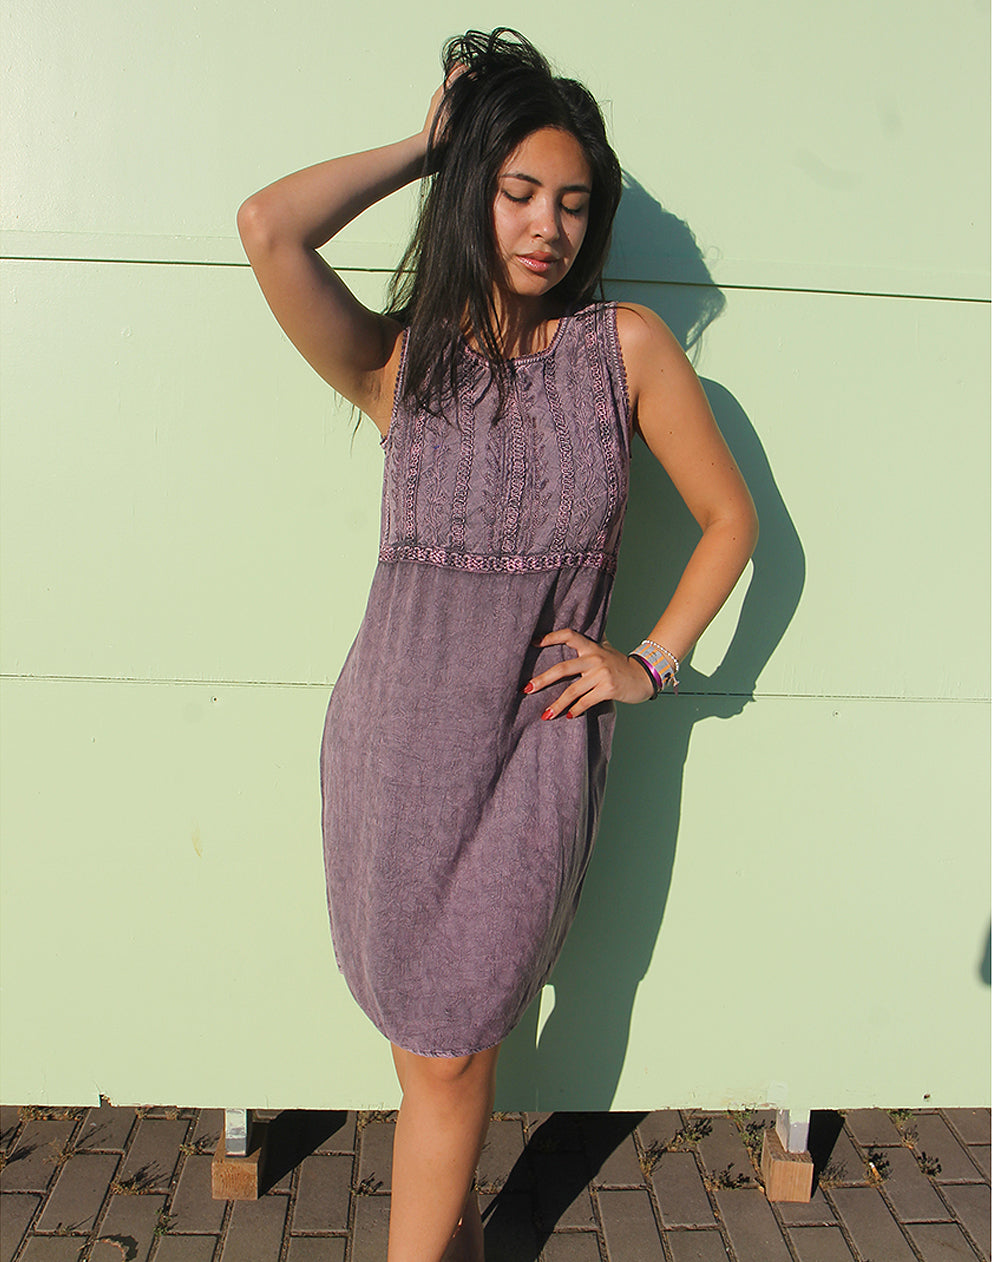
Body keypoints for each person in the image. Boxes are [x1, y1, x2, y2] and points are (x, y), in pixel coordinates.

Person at [237, 28, 758, 1262]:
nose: (546, 226)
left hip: (530, 753)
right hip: (392, 745)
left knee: (453, 1042)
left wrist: (649, 661)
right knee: (429, 1044)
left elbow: (728, 520)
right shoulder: (401, 359)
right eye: (518, 190)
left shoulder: (625, 350)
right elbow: (268, 227)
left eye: (572, 204)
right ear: (472, 188)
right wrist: (428, 143)